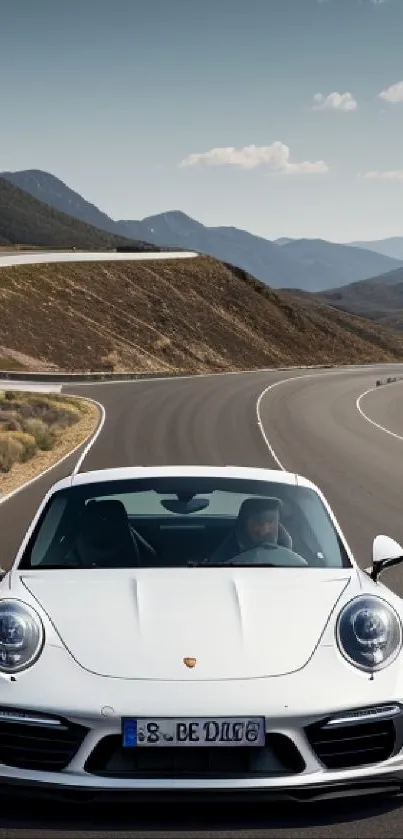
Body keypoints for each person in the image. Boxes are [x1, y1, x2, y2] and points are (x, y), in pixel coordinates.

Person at [209, 496, 292, 563]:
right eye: (258, 523)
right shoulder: (225, 554)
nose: (264, 530)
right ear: (245, 524)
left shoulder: (292, 555)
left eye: (270, 522)